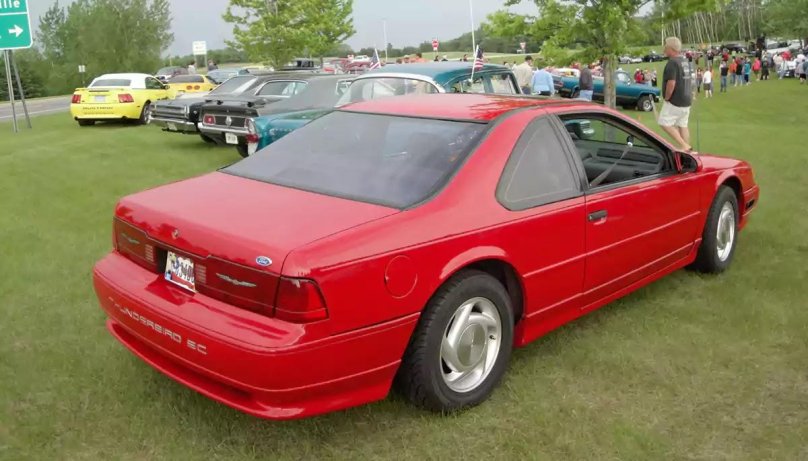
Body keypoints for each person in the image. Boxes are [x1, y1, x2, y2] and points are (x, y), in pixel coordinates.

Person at [658, 37, 693, 151]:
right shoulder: (685, 61)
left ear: (671, 48)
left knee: (663, 122)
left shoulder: (672, 63)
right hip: (687, 99)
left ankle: (684, 146)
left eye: (666, 47)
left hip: (676, 100)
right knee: (683, 125)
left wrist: (667, 97)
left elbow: (671, 83)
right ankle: (687, 151)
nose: (664, 49)